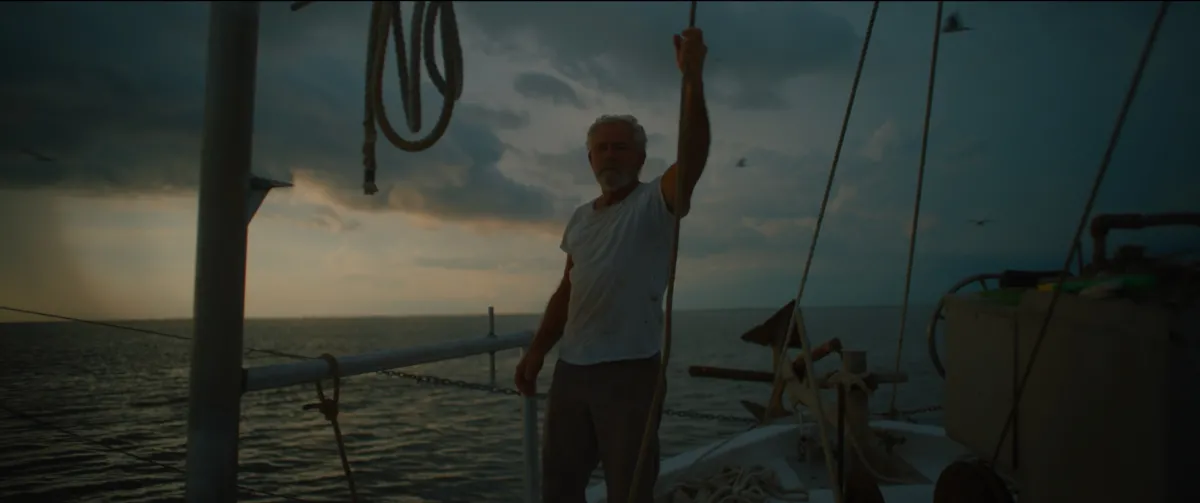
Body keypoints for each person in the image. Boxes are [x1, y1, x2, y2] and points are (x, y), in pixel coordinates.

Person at [513, 27, 711, 503]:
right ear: (588, 159)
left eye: (620, 146)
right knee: (560, 487)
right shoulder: (580, 218)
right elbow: (567, 291)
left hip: (630, 371)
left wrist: (692, 80)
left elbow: (693, 153)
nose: (609, 154)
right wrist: (538, 351)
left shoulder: (654, 202)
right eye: (601, 148)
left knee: (630, 489)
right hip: (572, 371)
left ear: (642, 156)